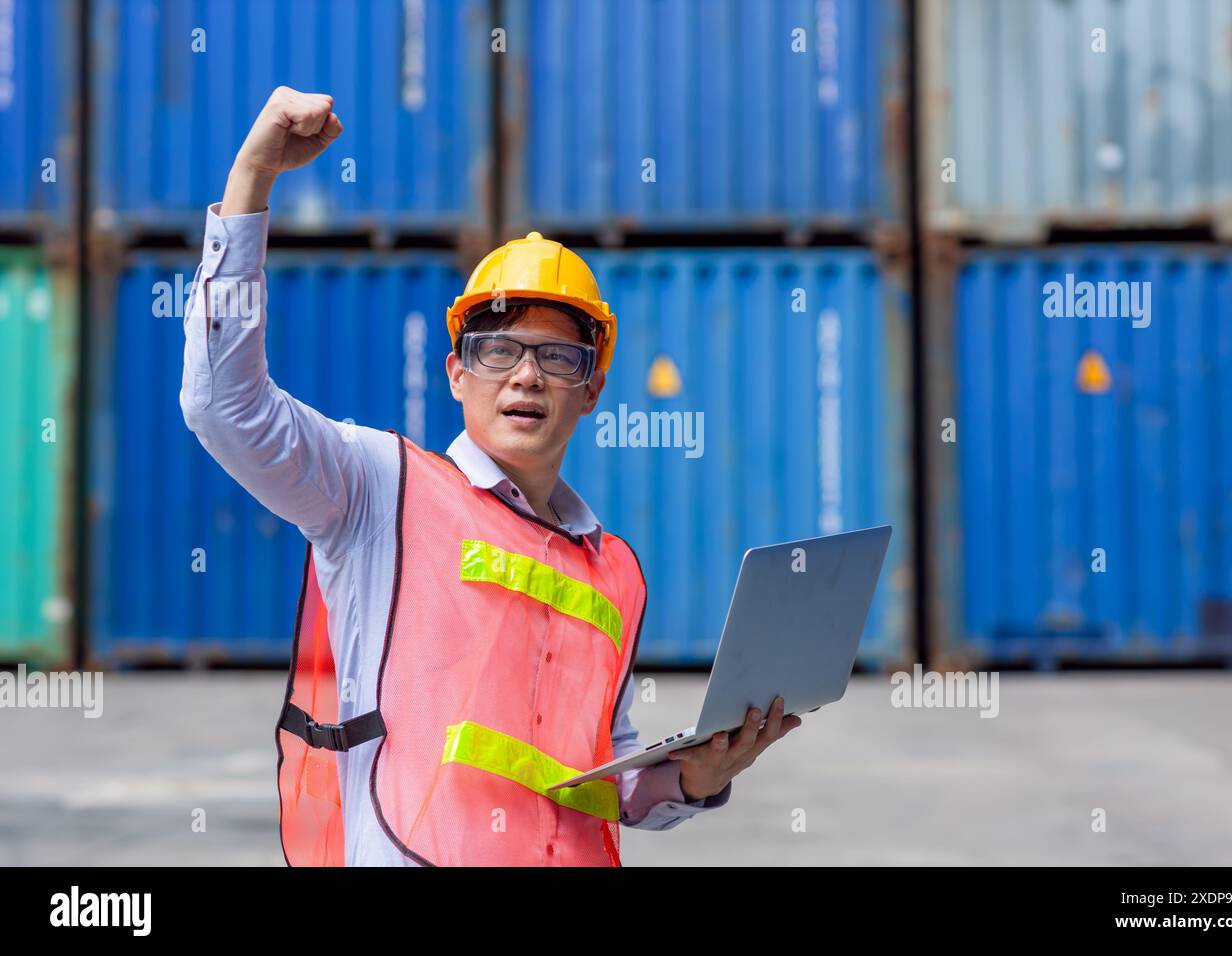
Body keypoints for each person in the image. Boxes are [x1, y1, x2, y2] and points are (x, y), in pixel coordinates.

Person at [180, 86, 800, 866]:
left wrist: (696, 776)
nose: (526, 378)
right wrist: (251, 182)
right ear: (455, 374)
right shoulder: (379, 491)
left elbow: (603, 777)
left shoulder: (616, 573)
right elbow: (222, 407)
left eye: (557, 357)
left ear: (593, 388)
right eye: (497, 351)